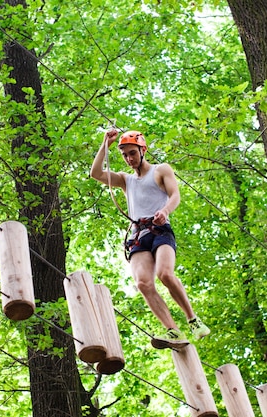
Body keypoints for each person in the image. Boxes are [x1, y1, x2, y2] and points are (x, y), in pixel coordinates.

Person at [90, 128, 210, 349]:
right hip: (138, 235)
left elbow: (175, 195)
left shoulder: (160, 170)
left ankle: (192, 319)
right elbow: (96, 173)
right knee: (143, 283)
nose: (129, 159)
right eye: (125, 155)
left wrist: (164, 211)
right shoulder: (126, 180)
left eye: (132, 153)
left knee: (165, 273)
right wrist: (105, 144)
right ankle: (173, 330)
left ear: (142, 150)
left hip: (160, 230)